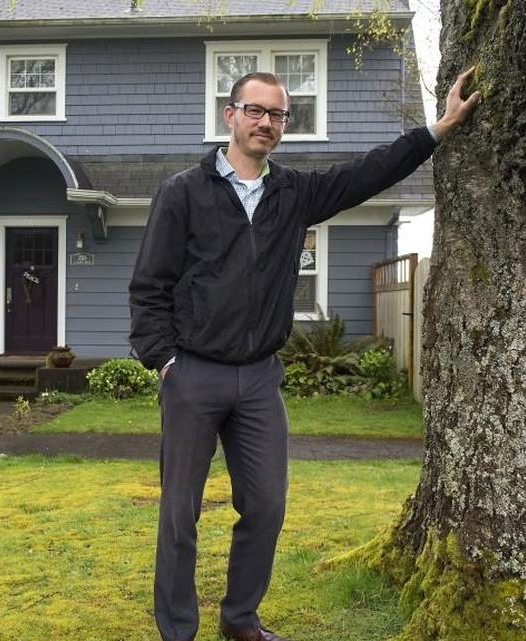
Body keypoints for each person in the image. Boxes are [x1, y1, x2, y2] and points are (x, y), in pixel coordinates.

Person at [129, 68, 481, 641]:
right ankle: (177, 629)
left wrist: (437, 130)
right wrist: (166, 362)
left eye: (277, 114)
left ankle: (239, 619)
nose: (266, 122)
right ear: (230, 115)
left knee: (266, 505)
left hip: (258, 381)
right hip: (193, 374)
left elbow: (367, 173)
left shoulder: (293, 195)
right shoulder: (183, 192)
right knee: (179, 515)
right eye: (255, 110)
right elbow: (150, 285)